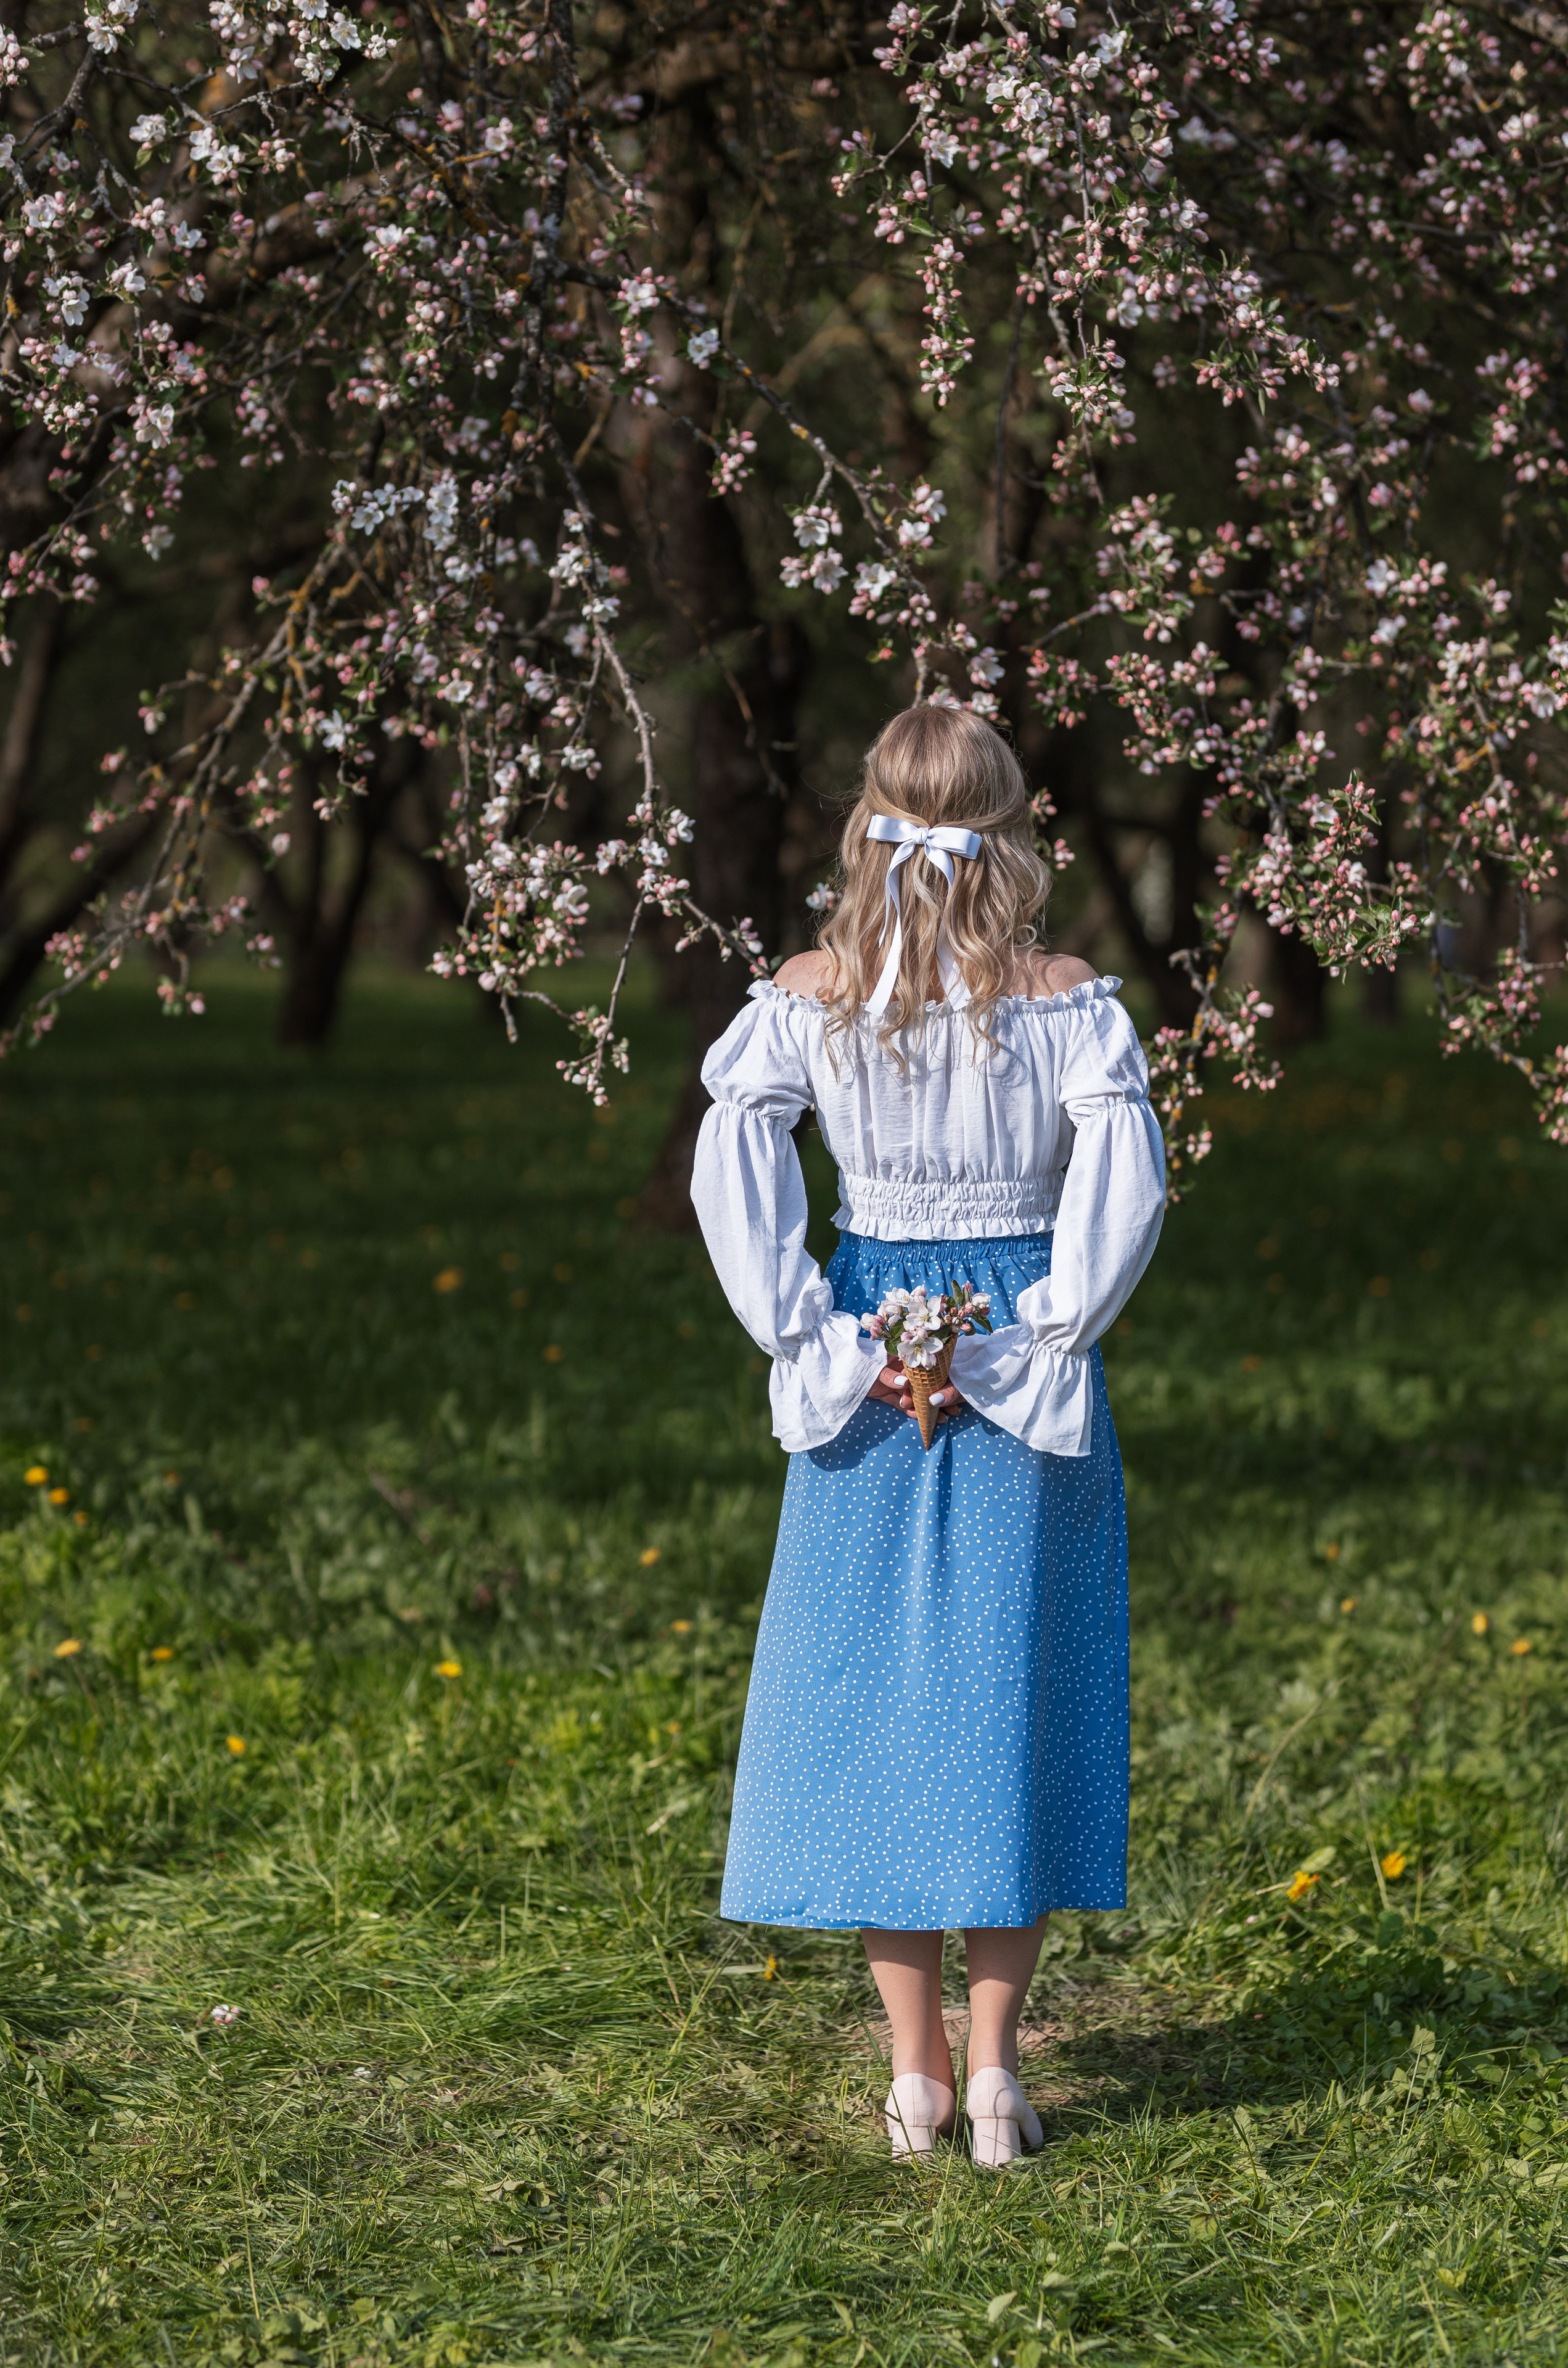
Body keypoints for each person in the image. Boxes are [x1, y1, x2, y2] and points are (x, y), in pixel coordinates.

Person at [690, 705, 1165, 2167]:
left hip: (865, 1355)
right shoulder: (1066, 996)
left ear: (867, 824)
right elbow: (1126, 1179)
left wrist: (817, 1332)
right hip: (1017, 1352)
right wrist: (1041, 1331)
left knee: (885, 1713)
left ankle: (912, 2080)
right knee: (1006, 1701)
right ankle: (998, 2078)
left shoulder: (811, 991)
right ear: (1010, 831)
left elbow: (734, 1155)